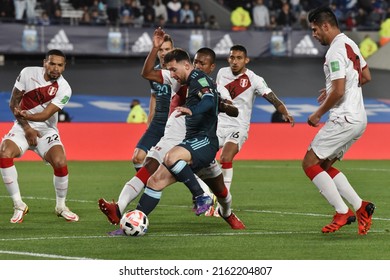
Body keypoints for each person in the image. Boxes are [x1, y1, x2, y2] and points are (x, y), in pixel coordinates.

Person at [99, 28, 244, 230]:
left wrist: (220, 105)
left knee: (221, 192)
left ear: (211, 67)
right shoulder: (178, 77)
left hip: (198, 143)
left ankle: (225, 212)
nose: (198, 65)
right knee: (152, 176)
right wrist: (155, 48)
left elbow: (233, 110)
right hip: (175, 138)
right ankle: (127, 216)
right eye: (196, 62)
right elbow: (147, 73)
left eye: (203, 63)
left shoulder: (213, 86)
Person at [303, 6, 375, 235]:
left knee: (309, 163)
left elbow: (340, 91)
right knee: (324, 166)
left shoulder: (335, 50)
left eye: (315, 29)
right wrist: (334, 87)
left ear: (326, 25)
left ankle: (342, 212)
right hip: (358, 118)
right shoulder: (350, 43)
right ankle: (360, 206)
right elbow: (365, 76)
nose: (314, 35)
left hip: (343, 117)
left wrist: (319, 113)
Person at [209, 44, 295, 216]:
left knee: (225, 157)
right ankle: (208, 197)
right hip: (218, 125)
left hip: (238, 126)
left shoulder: (255, 79)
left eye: (239, 58)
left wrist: (285, 112)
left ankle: (223, 203)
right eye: (232, 57)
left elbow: (272, 98)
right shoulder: (221, 73)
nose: (235, 61)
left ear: (246, 60)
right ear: (228, 58)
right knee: (202, 158)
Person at [0, 49, 79, 223]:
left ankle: (61, 206)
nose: (55, 68)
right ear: (44, 62)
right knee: (4, 153)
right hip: (22, 126)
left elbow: (45, 115)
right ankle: (18, 205)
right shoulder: (27, 73)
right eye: (52, 63)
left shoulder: (65, 89)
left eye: (60, 65)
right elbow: (13, 102)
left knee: (60, 161)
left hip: (46, 129)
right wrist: (27, 127)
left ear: (64, 67)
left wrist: (28, 118)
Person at [131, 34, 175, 171]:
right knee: (138, 158)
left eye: (167, 49)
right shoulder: (154, 73)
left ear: (173, 50)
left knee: (181, 163)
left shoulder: (179, 72)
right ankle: (150, 190)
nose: (163, 53)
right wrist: (150, 119)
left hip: (174, 123)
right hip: (158, 123)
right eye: (160, 50)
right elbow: (154, 96)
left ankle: (205, 191)